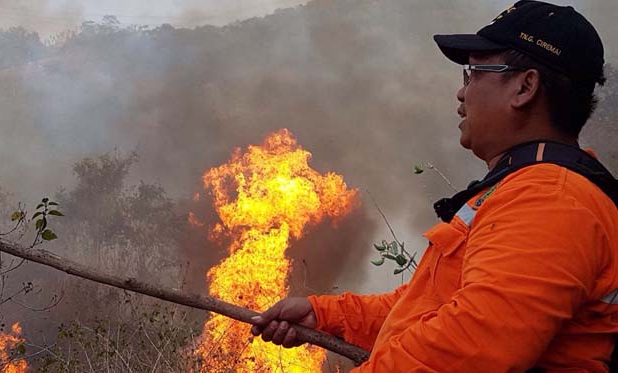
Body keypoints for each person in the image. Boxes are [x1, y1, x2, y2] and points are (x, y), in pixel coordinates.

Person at [250, 1, 618, 371]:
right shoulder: (525, 189)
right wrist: (325, 314)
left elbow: (469, 346)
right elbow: (431, 306)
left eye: (472, 74)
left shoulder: (549, 200)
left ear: (525, 87)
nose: (461, 94)